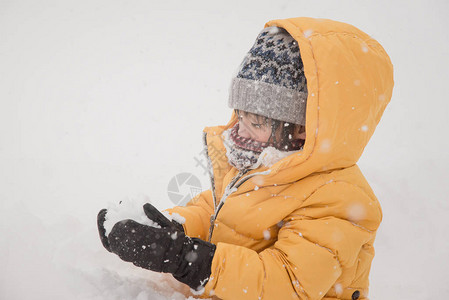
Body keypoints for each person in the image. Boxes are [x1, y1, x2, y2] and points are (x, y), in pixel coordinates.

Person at [97, 17, 394, 300]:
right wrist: (169, 230)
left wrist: (188, 259)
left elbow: (285, 282)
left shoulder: (339, 201)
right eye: (239, 115)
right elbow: (215, 211)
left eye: (256, 122)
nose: (238, 131)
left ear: (304, 130)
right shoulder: (258, 162)